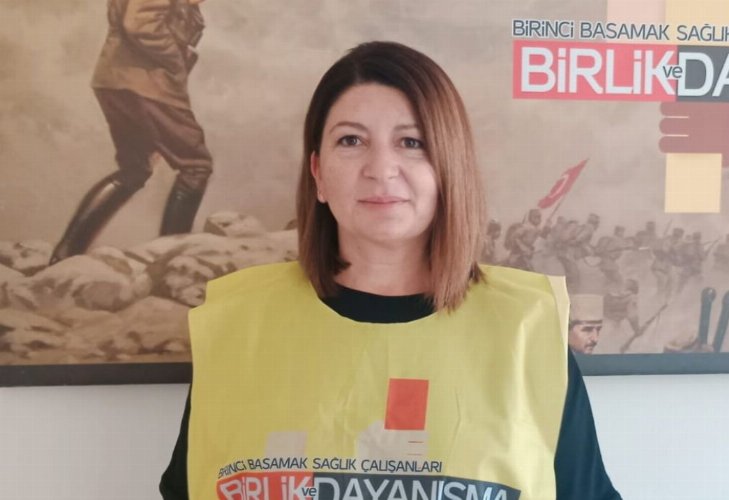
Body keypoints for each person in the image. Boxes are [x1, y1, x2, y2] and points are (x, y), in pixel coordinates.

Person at [160, 42, 621, 499]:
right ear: (318, 173)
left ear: (449, 168)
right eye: (351, 140)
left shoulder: (528, 333)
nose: (381, 169)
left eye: (411, 142)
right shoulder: (238, 326)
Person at [50, 0, 212, 264]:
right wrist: (174, 59)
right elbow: (139, 23)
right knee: (196, 166)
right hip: (148, 84)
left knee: (134, 169)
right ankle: (170, 258)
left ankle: (65, 254)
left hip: (119, 81)